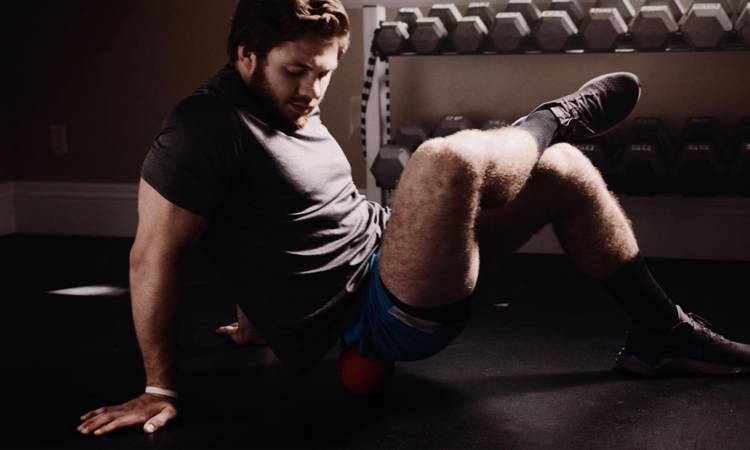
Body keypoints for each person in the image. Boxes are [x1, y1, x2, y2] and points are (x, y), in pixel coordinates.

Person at [77, 0, 750, 437]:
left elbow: (273, 212)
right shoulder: (200, 129)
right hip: (382, 311)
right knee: (442, 160)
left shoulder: (280, 109)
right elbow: (154, 255)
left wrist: (258, 315)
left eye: (324, 72)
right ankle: (549, 120)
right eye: (294, 72)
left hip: (393, 255)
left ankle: (663, 334)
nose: (311, 91)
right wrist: (159, 386)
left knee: (569, 172)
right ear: (244, 55)